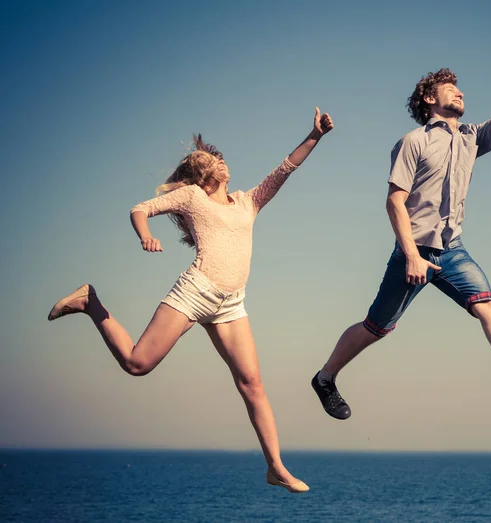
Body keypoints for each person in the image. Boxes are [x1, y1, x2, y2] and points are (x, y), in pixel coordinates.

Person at [48, 107, 334, 492]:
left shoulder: (248, 201)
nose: (226, 162)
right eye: (218, 160)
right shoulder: (193, 197)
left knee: (252, 384)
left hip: (231, 304)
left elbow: (285, 169)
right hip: (196, 291)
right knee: (137, 363)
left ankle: (276, 467)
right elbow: (140, 208)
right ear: (207, 171)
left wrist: (314, 135)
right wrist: (145, 235)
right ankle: (90, 303)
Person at [312, 58, 491, 420]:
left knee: (488, 306)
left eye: (460, 87)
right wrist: (412, 256)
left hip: (453, 251)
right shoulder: (413, 142)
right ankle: (325, 379)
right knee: (376, 328)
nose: (460, 91)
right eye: (450, 88)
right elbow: (394, 202)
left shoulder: (470, 138)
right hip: (413, 250)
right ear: (429, 99)